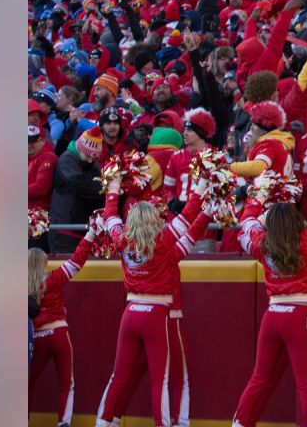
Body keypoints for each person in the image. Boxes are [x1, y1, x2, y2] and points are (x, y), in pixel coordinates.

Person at [94, 172, 210, 427]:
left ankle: (103, 423)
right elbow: (188, 214)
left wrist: (113, 187)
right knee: (161, 379)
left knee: (119, 375)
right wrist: (202, 186)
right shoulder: (164, 240)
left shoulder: (122, 240)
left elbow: (110, 217)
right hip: (156, 314)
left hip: (131, 311)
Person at [231, 178, 307, 427]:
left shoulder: (262, 245)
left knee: (260, 378)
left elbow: (245, 225)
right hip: (301, 314)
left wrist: (259, 195)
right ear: (296, 222)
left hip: (273, 315)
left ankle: (240, 424)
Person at [28, 228, 98, 426]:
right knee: (66, 384)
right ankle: (64, 422)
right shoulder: (53, 278)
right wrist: (91, 234)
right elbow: (77, 261)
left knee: (27, 384)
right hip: (59, 333)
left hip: (37, 338)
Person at [48, 128, 105, 254]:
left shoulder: (93, 164)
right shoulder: (66, 160)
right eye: (88, 156)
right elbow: (79, 184)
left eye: (94, 158)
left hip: (83, 228)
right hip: (65, 227)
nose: (90, 161)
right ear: (80, 149)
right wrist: (104, 189)